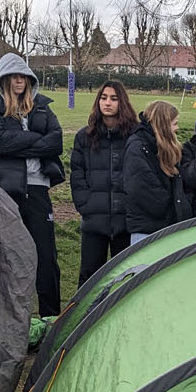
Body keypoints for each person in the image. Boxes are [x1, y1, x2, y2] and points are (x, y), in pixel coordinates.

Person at [0, 54, 64, 316]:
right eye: (13, 76)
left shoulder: (43, 108)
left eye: (23, 76)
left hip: (38, 188)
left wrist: (17, 144)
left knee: (46, 257)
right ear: (4, 80)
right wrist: (34, 140)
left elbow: (56, 142)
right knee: (8, 256)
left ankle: (50, 317)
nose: (19, 80)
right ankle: (11, 319)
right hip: (6, 190)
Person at [71, 80, 136, 283]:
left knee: (125, 277)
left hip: (125, 220)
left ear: (121, 102)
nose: (107, 103)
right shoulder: (85, 136)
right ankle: (85, 316)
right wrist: (85, 204)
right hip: (94, 219)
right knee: (90, 276)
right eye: (104, 97)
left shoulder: (134, 136)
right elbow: (77, 173)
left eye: (114, 99)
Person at [123, 100, 191, 243]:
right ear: (164, 125)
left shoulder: (164, 149)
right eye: (174, 123)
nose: (177, 128)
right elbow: (142, 190)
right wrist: (171, 205)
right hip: (146, 231)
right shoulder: (138, 147)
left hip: (166, 228)